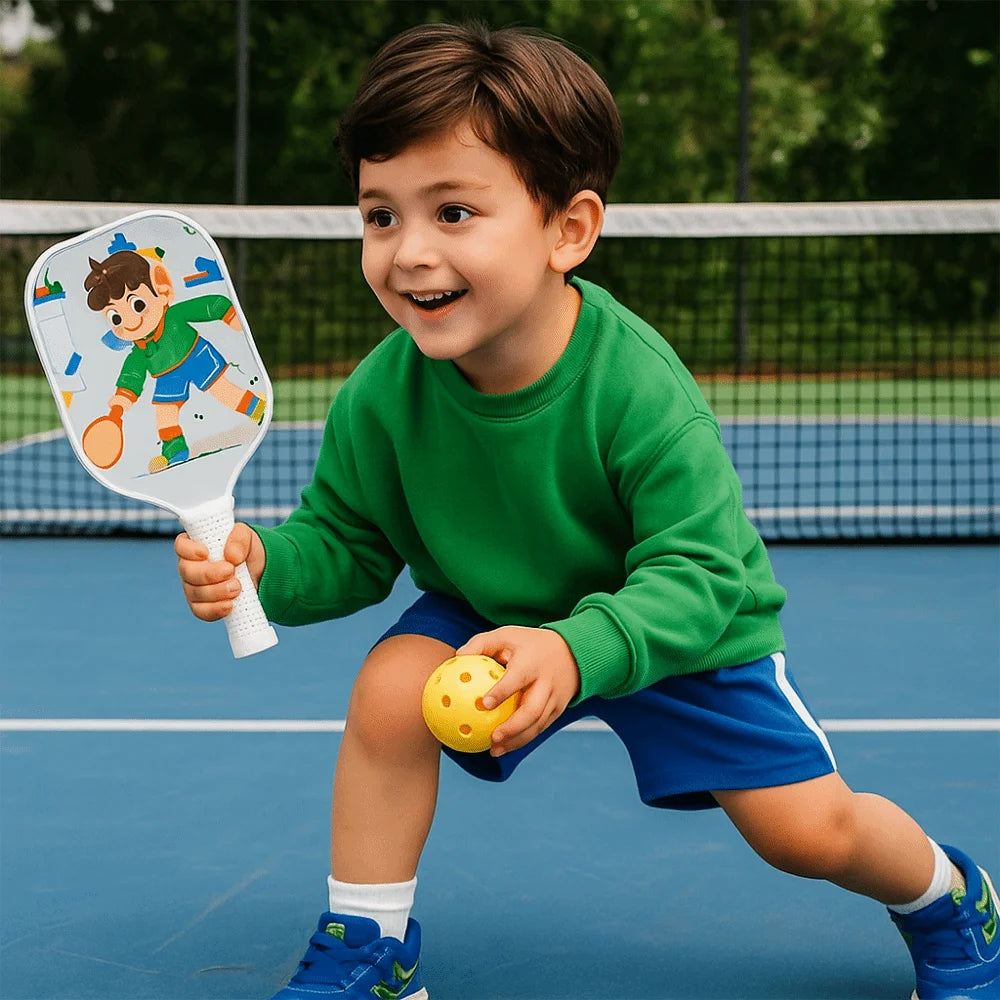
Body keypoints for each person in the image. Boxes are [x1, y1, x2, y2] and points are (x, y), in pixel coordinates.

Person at [174, 22, 999, 1000]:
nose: (407, 252)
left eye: (451, 210)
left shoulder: (638, 390)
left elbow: (701, 574)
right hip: (490, 602)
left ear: (568, 228)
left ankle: (950, 897)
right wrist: (263, 562)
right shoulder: (379, 397)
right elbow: (349, 546)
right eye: (379, 215)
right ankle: (371, 949)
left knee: (806, 834)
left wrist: (575, 649)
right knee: (393, 685)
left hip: (682, 626)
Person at [85, 249, 267, 473]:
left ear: (162, 289)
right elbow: (132, 376)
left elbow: (206, 306)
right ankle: (174, 450)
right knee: (165, 412)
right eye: (116, 317)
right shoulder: (139, 351)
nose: (129, 322)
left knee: (223, 391)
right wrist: (122, 399)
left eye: (137, 305)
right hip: (167, 376)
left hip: (197, 355)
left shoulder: (173, 315)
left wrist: (227, 314)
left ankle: (258, 409)